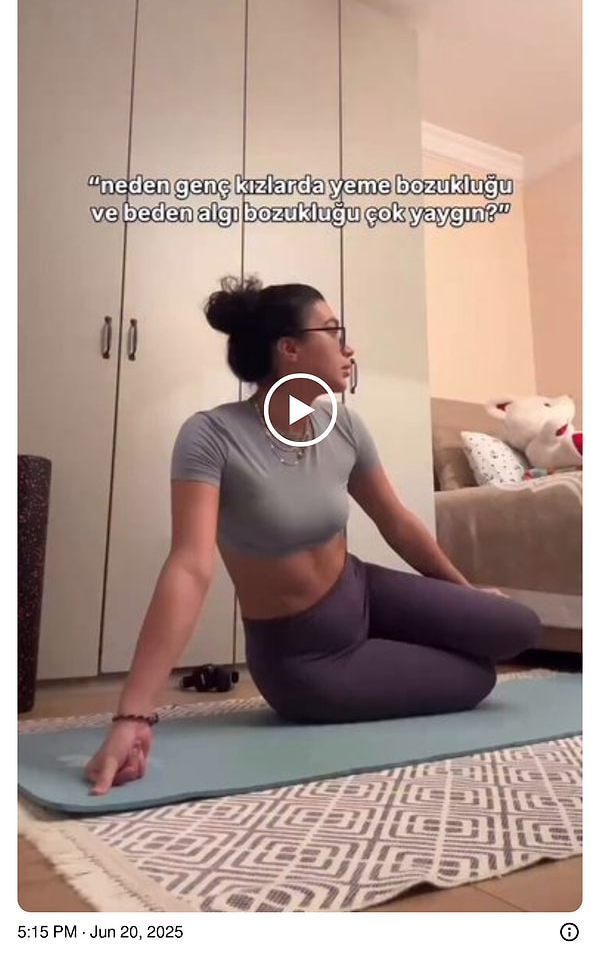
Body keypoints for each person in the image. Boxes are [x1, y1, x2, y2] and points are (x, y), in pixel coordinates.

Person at [86, 276, 540, 795]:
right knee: (476, 678)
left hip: (363, 591)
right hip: (305, 656)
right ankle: (379, 661)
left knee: (516, 626)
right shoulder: (211, 436)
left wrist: (465, 592)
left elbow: (396, 520)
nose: (349, 349)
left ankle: (391, 649)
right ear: (290, 350)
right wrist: (134, 714)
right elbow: (190, 566)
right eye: (333, 331)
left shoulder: (343, 426)